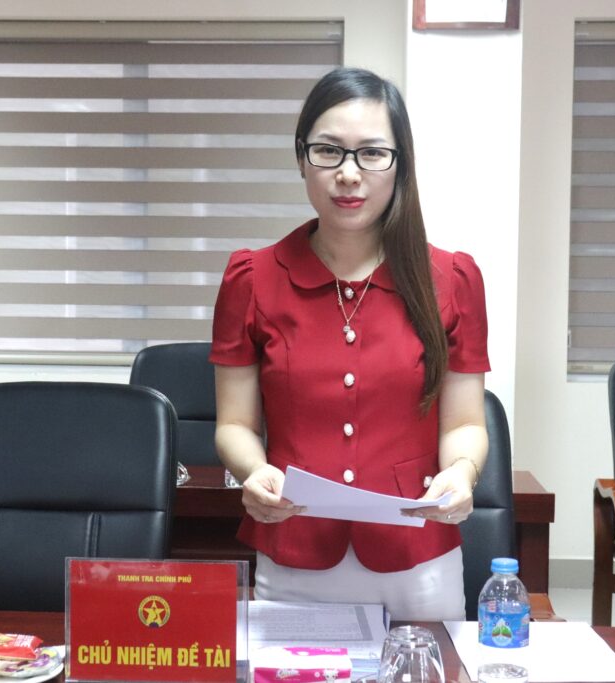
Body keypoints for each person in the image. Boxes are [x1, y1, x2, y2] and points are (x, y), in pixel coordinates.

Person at [209, 66, 489, 621]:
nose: (349, 174)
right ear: (301, 158)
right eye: (328, 151)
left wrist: (461, 473)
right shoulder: (252, 278)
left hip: (418, 556)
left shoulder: (452, 279)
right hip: (294, 552)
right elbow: (234, 424)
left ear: (400, 163)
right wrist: (252, 470)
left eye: (372, 154)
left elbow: (464, 424)